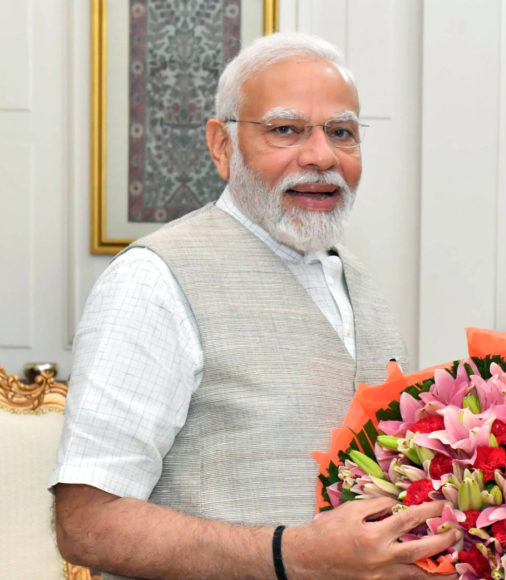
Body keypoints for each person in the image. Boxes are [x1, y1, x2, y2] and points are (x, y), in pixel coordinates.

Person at [50, 33, 461, 579]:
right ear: (222, 145)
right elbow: (87, 524)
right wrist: (294, 555)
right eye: (285, 130)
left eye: (342, 132)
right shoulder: (153, 280)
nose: (321, 156)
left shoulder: (364, 286)